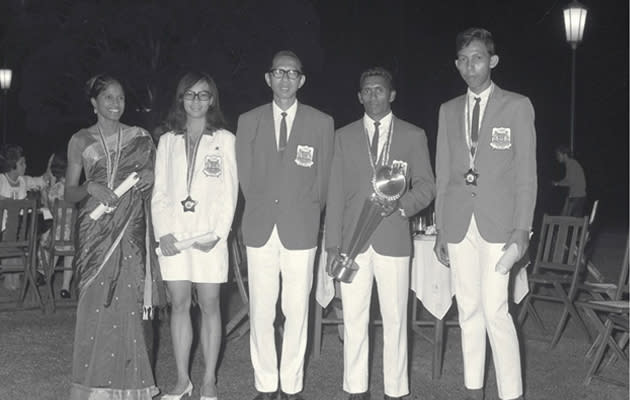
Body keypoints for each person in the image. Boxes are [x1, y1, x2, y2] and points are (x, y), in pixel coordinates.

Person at [434, 28, 536, 400]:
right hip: (460, 225)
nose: (469, 66)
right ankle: (473, 390)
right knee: (468, 310)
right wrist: (443, 228)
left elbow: (527, 174)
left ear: (492, 61)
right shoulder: (447, 111)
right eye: (462, 59)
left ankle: (512, 394)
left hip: (500, 227)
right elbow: (444, 173)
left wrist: (521, 228)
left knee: (496, 311)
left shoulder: (517, 105)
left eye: (477, 58)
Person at [324, 66, 435, 400]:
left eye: (380, 90)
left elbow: (428, 185)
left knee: (396, 320)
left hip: (393, 239)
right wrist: (332, 245)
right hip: (353, 243)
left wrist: (403, 205)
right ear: (359, 97)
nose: (373, 95)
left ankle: (395, 392)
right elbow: (335, 194)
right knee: (354, 322)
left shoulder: (413, 135)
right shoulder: (342, 137)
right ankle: (356, 391)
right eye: (367, 91)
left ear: (392, 95)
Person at [235, 50, 334, 400]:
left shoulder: (322, 122)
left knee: (297, 310)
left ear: (302, 80)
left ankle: (291, 386)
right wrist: (267, 205)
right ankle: (265, 384)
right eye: (279, 72)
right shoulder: (248, 120)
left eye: (292, 73)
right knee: (261, 310)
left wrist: (303, 210)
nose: (285, 79)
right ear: (268, 78)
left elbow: (323, 184)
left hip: (301, 229)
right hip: (260, 227)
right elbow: (245, 177)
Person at [65, 74, 161, 399]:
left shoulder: (141, 137)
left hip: (130, 227)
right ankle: (93, 388)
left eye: (120, 98)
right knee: (95, 302)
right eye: (108, 98)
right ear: (94, 103)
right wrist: (89, 186)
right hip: (94, 230)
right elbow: (68, 193)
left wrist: (153, 173)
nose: (116, 104)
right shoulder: (80, 140)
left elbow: (161, 176)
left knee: (130, 302)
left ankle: (131, 388)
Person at [152, 71, 238, 400]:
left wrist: (218, 233)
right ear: (181, 100)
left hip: (209, 237)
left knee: (211, 305)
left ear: (212, 100)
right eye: (190, 95)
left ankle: (209, 381)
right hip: (174, 237)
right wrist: (164, 234)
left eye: (203, 95)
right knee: (178, 304)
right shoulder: (167, 140)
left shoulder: (226, 139)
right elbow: (159, 193)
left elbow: (230, 193)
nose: (197, 101)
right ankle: (182, 379)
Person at [0, 144, 50, 291]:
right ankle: (28, 270)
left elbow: (40, 181)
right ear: (12, 165)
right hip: (3, 231)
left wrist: (48, 171)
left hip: (20, 233)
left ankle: (31, 269)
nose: (25, 166)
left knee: (42, 222)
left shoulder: (23, 181)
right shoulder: (1, 180)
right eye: (22, 163)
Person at [38, 152, 74, 298]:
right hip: (74, 239)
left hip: (56, 238)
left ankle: (45, 273)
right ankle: (65, 287)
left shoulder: (53, 191)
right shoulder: (76, 188)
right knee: (70, 248)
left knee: (45, 240)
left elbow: (50, 212)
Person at [552, 145, 587, 216]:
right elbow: (568, 179)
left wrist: (557, 184)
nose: (557, 157)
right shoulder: (571, 164)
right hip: (577, 196)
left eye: (558, 155)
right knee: (572, 220)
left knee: (565, 219)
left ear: (565, 155)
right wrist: (558, 183)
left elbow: (570, 181)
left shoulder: (572, 164)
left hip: (576, 196)